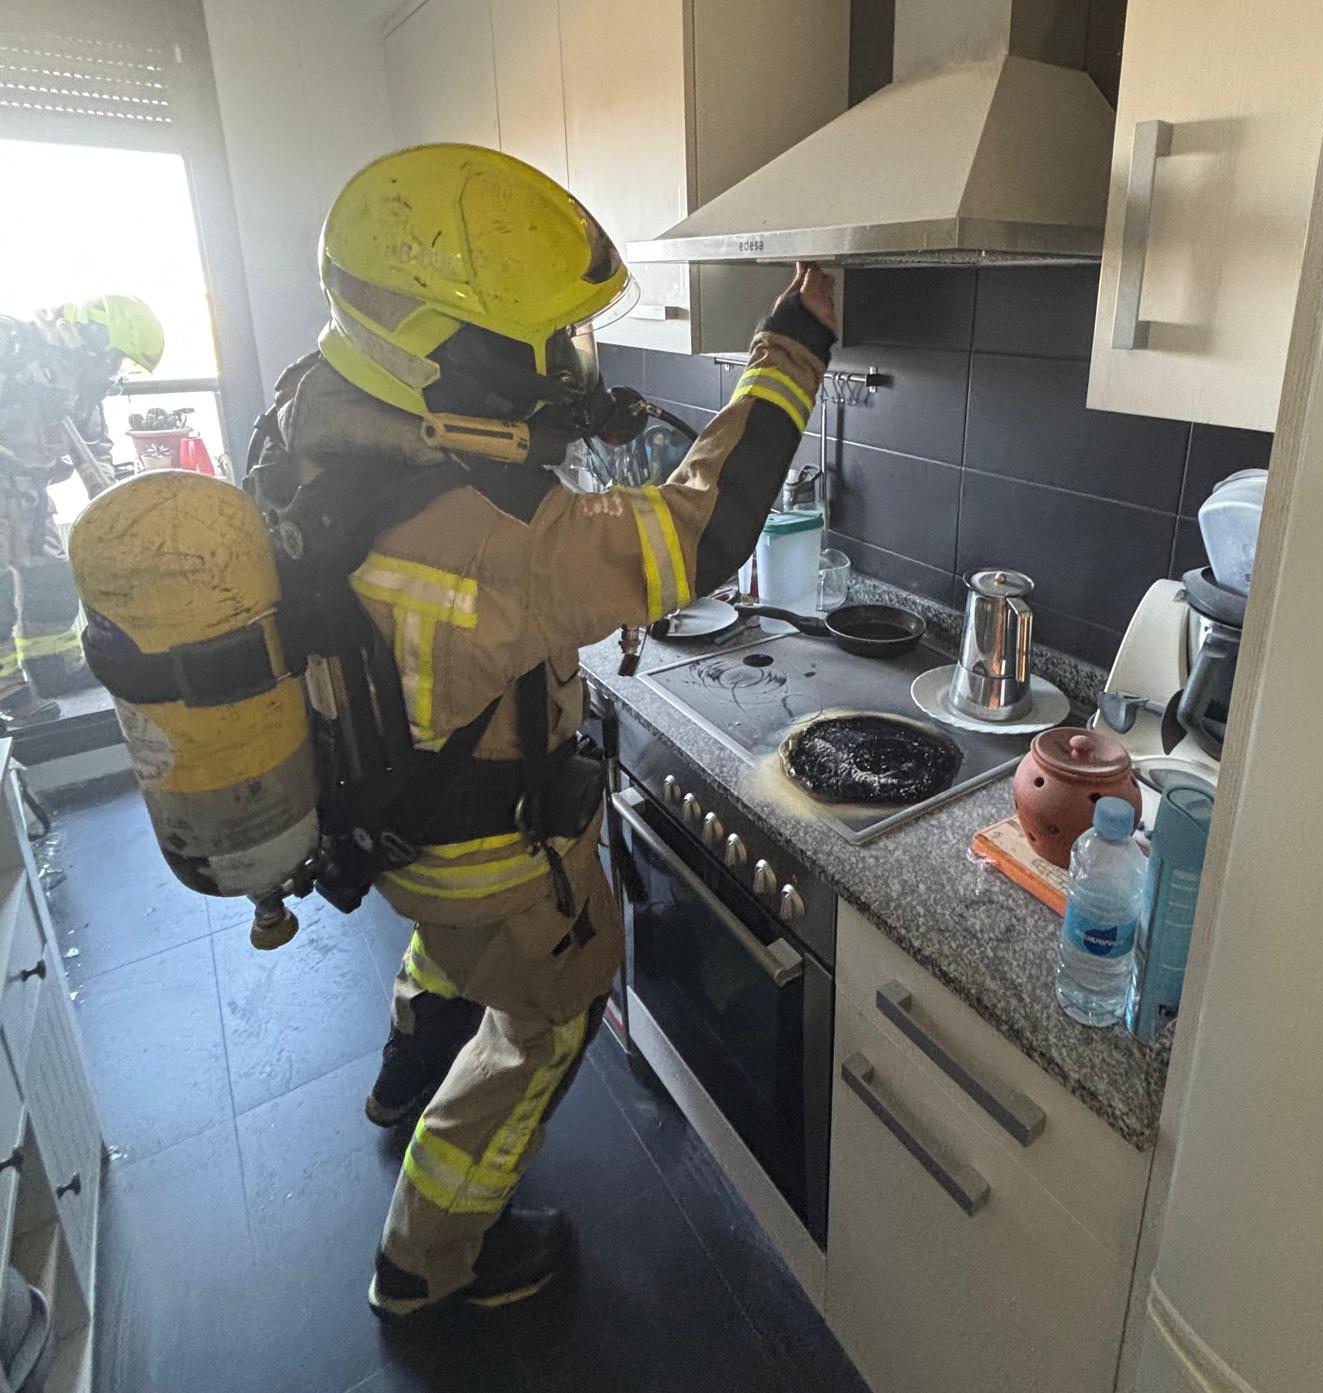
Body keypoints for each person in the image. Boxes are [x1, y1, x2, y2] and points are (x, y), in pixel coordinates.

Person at [246, 144, 836, 1320]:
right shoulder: (493, 534)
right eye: (546, 343)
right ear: (457, 350)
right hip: (488, 847)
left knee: (454, 942)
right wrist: (796, 344)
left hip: (387, 815)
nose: (569, 362)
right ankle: (430, 1251)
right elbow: (697, 536)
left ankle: (403, 1072)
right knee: (547, 1018)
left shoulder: (322, 424)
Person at [0, 295, 164, 719]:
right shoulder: (13, 345)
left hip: (28, 490)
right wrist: (20, 401)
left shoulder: (81, 385)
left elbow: (95, 447)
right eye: (115, 359)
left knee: (50, 577)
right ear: (93, 337)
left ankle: (54, 666)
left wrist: (112, 499)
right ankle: (7, 691)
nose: (112, 372)